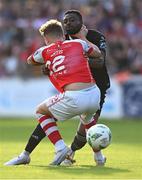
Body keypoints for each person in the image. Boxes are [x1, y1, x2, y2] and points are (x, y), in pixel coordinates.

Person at [4, 10, 110, 166]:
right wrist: (49, 65)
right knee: (84, 121)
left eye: (72, 21)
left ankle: (63, 150)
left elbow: (100, 60)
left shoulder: (92, 37)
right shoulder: (70, 41)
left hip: (95, 88)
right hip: (91, 92)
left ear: (82, 23)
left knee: (47, 115)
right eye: (65, 21)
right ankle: (98, 158)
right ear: (62, 28)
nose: (68, 24)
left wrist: (79, 43)